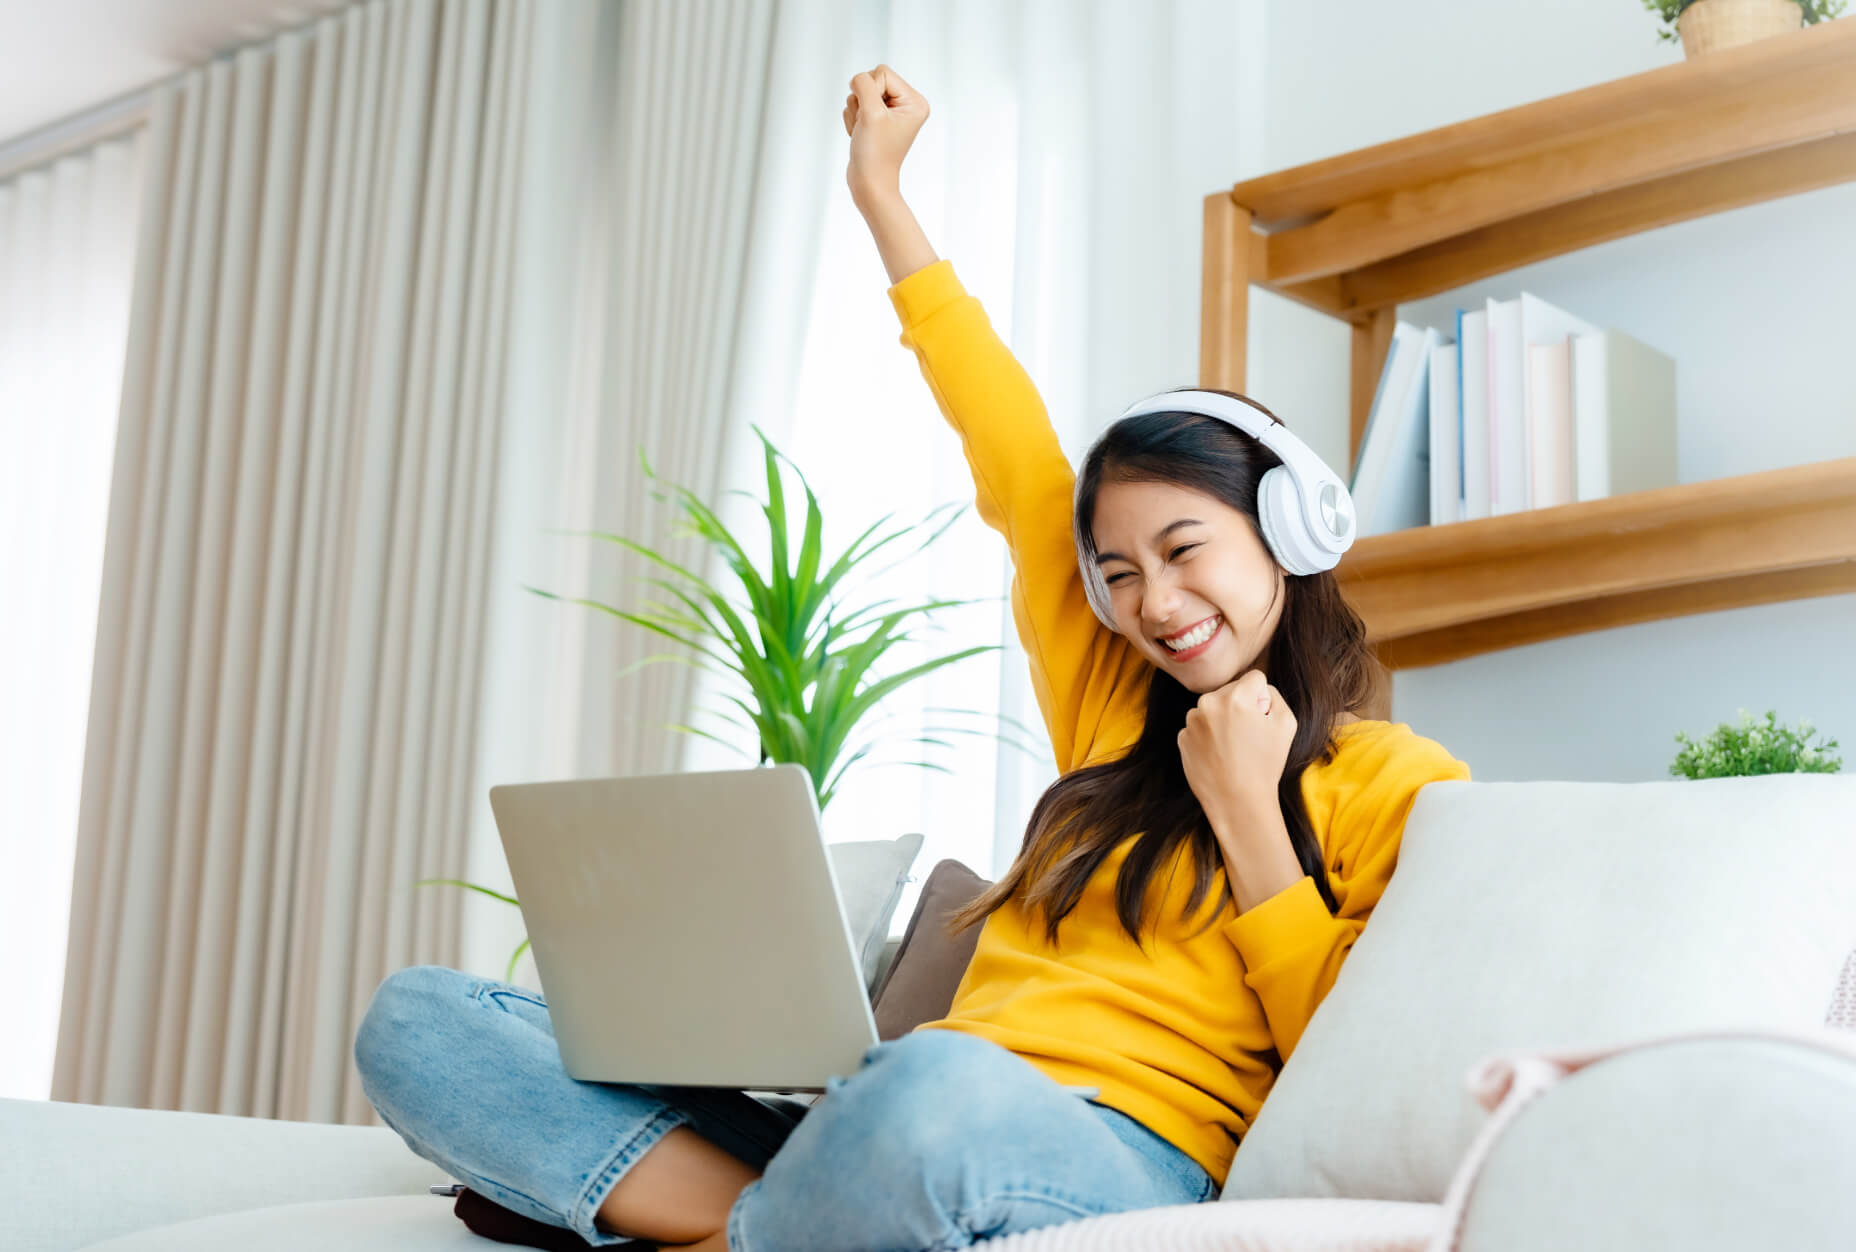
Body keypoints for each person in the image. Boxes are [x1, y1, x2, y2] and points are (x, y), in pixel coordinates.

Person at [352, 64, 1471, 1252]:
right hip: (894, 1117)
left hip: (1111, 1150)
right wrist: (879, 193)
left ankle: (726, 1222)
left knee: (932, 1090)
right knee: (421, 1022)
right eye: (1119, 570)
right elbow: (1012, 448)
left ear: (1291, 530)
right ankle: (765, 1224)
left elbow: (1353, 1059)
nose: (1153, 600)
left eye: (1184, 549)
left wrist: (1248, 818)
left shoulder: (1395, 781)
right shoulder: (1110, 702)